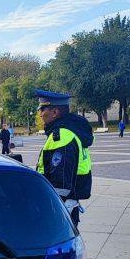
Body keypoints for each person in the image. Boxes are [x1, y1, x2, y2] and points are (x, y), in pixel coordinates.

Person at [34, 90, 93, 226]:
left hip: (61, 208)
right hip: (69, 204)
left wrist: (54, 210)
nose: (40, 114)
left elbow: (60, 183)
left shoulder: (61, 136)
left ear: (55, 112)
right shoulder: (73, 131)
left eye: (43, 109)